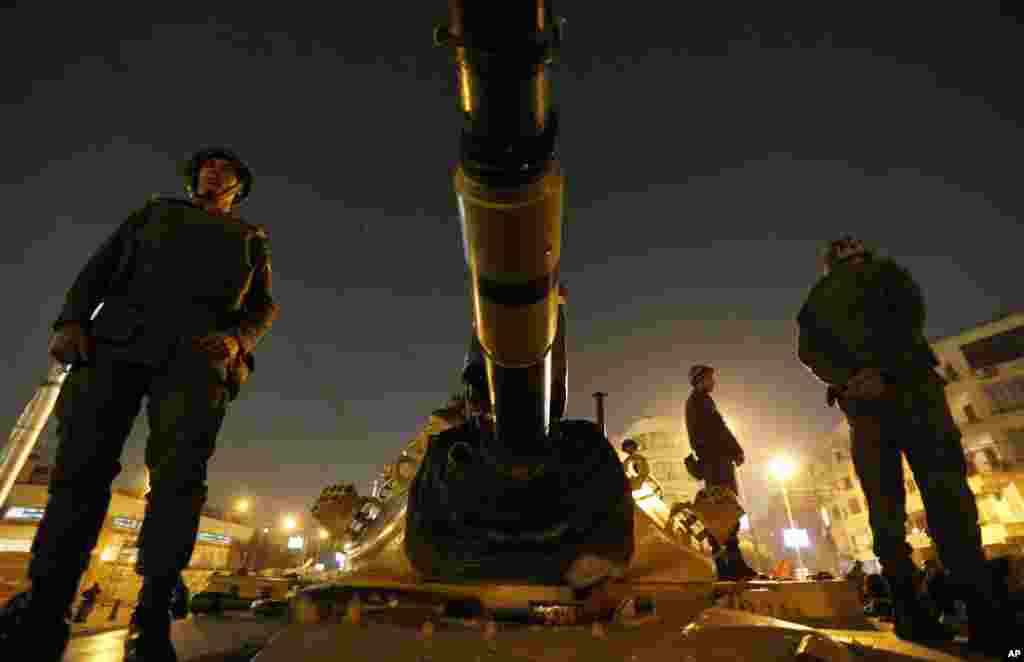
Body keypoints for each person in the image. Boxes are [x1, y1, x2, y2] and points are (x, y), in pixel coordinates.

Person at [0, 147, 279, 662]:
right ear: (195, 177)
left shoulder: (250, 239)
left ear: (239, 186)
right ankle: (47, 603)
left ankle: (151, 612)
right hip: (117, 342)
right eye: (207, 167)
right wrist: (70, 321)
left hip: (196, 359)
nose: (214, 174)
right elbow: (99, 268)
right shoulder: (153, 214)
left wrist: (238, 340)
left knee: (179, 479)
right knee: (80, 469)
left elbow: (263, 307)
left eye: (226, 170)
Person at [796, 235, 1007, 654]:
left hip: (864, 408)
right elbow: (909, 319)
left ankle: (913, 616)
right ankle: (986, 619)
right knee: (948, 500)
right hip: (914, 393)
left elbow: (809, 352)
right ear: (861, 254)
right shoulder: (889, 273)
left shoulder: (816, 300)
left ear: (827, 265)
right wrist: (885, 371)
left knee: (885, 511)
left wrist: (851, 379)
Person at [684, 364, 758, 581]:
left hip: (713, 463)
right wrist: (736, 450)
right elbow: (719, 429)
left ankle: (729, 565)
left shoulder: (697, 402)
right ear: (701, 379)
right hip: (716, 463)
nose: (713, 382)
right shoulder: (700, 401)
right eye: (710, 378)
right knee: (724, 513)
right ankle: (730, 566)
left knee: (721, 513)